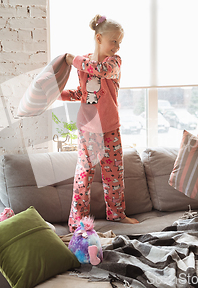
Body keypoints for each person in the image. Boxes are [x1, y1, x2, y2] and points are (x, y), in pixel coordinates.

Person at [61, 14, 139, 232]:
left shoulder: (114, 63)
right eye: (113, 41)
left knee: (114, 174)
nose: (117, 46)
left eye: (119, 42)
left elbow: (100, 71)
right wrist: (59, 94)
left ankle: (116, 214)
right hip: (88, 129)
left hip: (110, 128)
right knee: (83, 176)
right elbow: (82, 93)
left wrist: (72, 59)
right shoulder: (84, 63)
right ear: (98, 38)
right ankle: (77, 221)